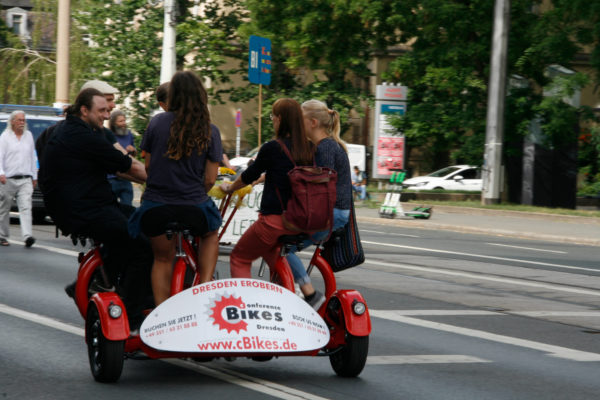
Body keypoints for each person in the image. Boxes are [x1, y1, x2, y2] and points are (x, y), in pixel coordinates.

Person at [39, 88, 152, 331]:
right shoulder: (84, 136)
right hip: (85, 209)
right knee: (143, 247)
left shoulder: (69, 130)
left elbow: (120, 167)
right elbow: (127, 165)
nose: (105, 115)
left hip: (86, 204)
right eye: (101, 110)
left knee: (141, 222)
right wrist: (163, 181)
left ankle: (91, 280)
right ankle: (132, 314)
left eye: (108, 110)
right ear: (84, 110)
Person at [129, 71, 223, 306]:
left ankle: (161, 312)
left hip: (156, 206)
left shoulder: (157, 122)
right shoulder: (210, 130)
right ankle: (205, 285)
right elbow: (211, 179)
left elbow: (148, 166)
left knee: (162, 259)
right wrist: (193, 189)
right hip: (194, 206)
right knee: (211, 233)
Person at [220, 98, 317, 304]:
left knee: (239, 257)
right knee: (273, 256)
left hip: (274, 221)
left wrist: (229, 188)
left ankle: (245, 309)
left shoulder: (273, 147)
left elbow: (249, 175)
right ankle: (286, 304)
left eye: (273, 116)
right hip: (301, 221)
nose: (272, 120)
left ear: (280, 119)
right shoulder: (310, 148)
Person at [285, 100, 352, 308]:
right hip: (336, 213)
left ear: (313, 122)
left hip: (331, 214)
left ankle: (310, 294)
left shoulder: (326, 148)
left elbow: (322, 185)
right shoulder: (329, 145)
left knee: (282, 247)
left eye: (300, 121)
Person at [0, 111, 38, 248]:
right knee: (4, 208)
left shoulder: (28, 136)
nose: (22, 123)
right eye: (19, 120)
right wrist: (1, 173)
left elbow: (32, 157)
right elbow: (0, 156)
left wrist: (34, 176)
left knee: (26, 206)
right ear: (12, 122)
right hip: (8, 178)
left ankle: (27, 236)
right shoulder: (5, 137)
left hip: (25, 178)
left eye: (23, 120)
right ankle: (2, 235)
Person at [107, 110, 136, 205]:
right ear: (113, 123)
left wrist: (133, 150)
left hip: (127, 178)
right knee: (111, 209)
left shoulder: (129, 134)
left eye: (124, 120)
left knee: (128, 209)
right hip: (111, 179)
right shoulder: (108, 135)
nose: (124, 123)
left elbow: (134, 156)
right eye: (120, 121)